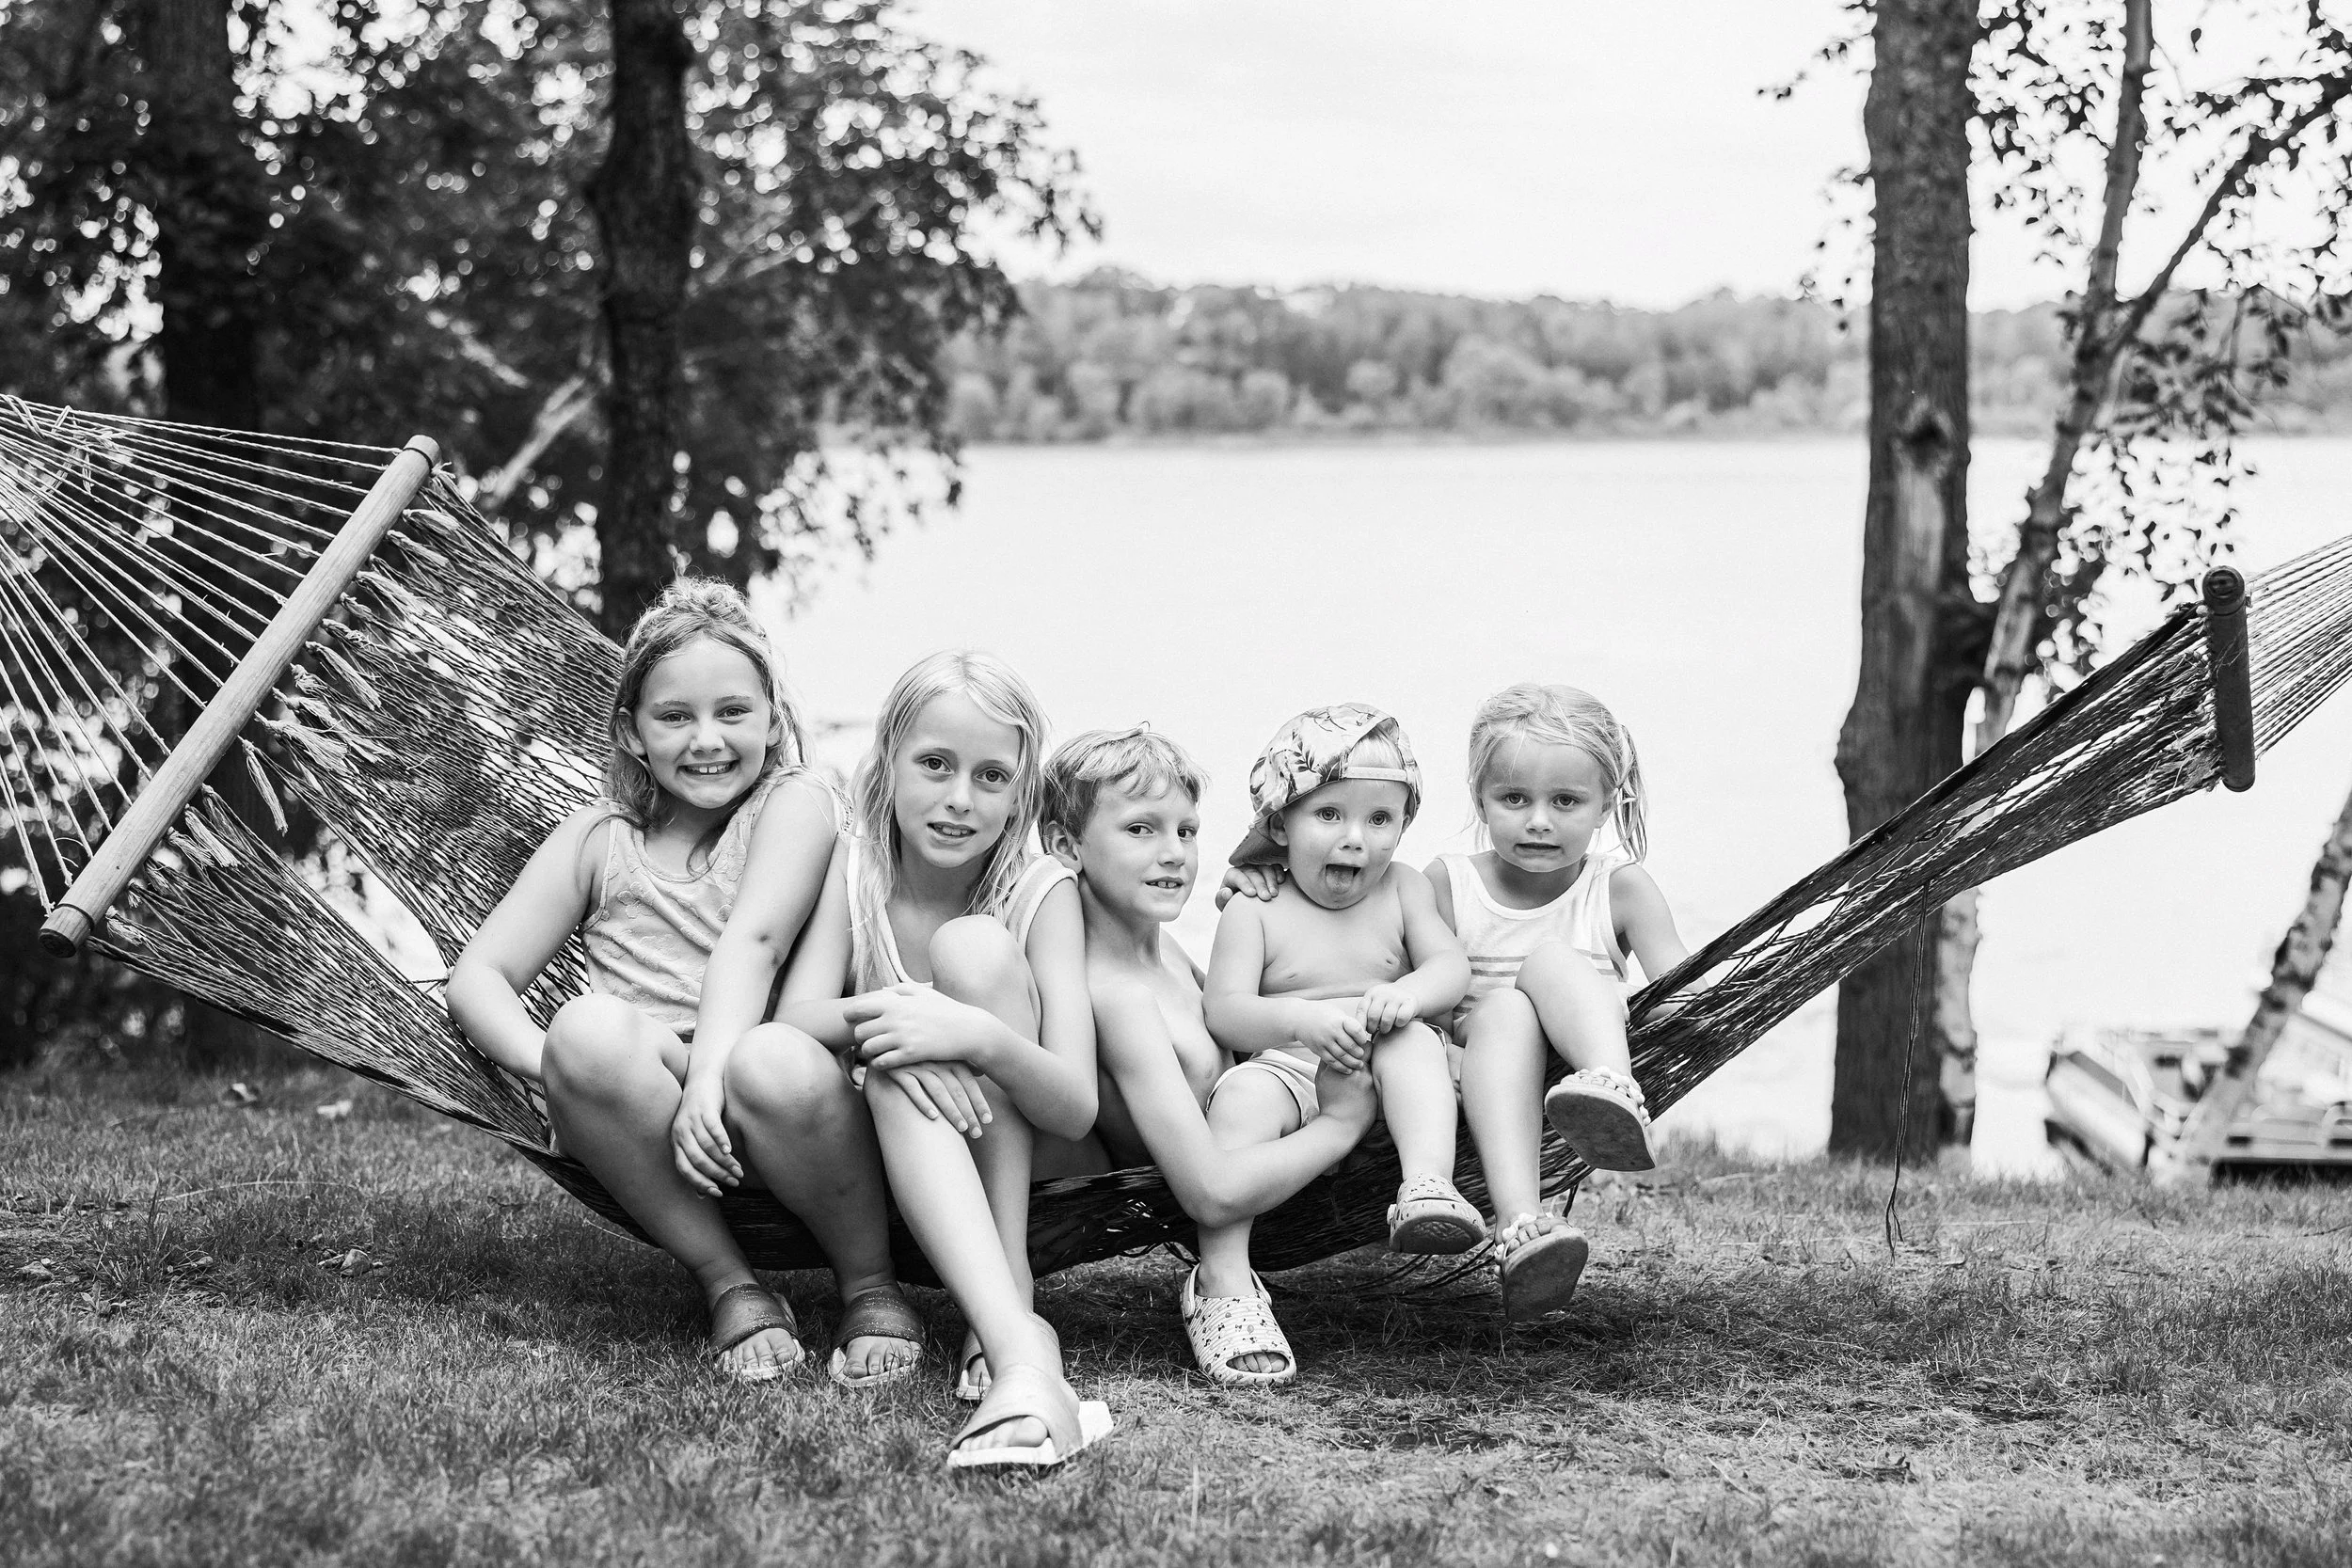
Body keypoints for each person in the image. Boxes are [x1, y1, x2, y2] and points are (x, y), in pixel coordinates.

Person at [448, 578, 921, 1386]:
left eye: (733, 711)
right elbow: (478, 978)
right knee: (587, 1029)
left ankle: (870, 1281)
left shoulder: (797, 800)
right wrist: (554, 1071)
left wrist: (710, 1078)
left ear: (773, 716)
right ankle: (728, 1280)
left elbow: (758, 941)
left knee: (767, 1058)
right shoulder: (598, 839)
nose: (708, 738)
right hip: (651, 1120)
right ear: (632, 733)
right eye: (676, 716)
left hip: (780, 1104)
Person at [764, 650, 1108, 1469]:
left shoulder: (1040, 889)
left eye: (992, 777)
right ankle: (1022, 1345)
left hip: (1024, 1148)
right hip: (896, 1143)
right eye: (935, 765)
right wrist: (902, 1021)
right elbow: (795, 1015)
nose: (960, 798)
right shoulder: (858, 867)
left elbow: (1074, 1104)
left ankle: (1010, 1304)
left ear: (1022, 794)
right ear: (887, 766)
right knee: (887, 1068)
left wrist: (972, 1035)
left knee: (974, 948)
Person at [1040, 726, 1377, 1386]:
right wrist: (1342, 1124)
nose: (1175, 855)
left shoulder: (1164, 952)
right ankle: (1220, 1284)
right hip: (1216, 1186)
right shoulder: (1114, 996)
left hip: (1266, 1129)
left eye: (1187, 831)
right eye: (1142, 829)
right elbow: (1210, 1191)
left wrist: (1268, 891)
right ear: (1064, 843)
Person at [1432, 682, 1690, 1320]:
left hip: (1578, 1066)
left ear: (1606, 804)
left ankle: (1613, 1085)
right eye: (1514, 798)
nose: (1538, 819)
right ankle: (1523, 1228)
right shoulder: (1450, 884)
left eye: (1566, 800)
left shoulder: (1619, 888)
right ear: (1480, 799)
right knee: (1506, 1008)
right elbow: (1425, 1013)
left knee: (1550, 960)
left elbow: (1684, 989)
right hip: (1487, 1086)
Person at [1202, 705, 1480, 1271]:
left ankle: (1426, 1187)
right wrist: (1301, 1021)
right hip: (1291, 1068)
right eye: (1329, 813)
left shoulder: (1402, 888)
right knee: (1239, 1098)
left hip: (1389, 1070)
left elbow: (1451, 968)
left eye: (1380, 820)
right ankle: (1222, 1267)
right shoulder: (1256, 907)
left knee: (1414, 1042)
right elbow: (1224, 1011)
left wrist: (1412, 995)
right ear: (1279, 825)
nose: (1355, 839)